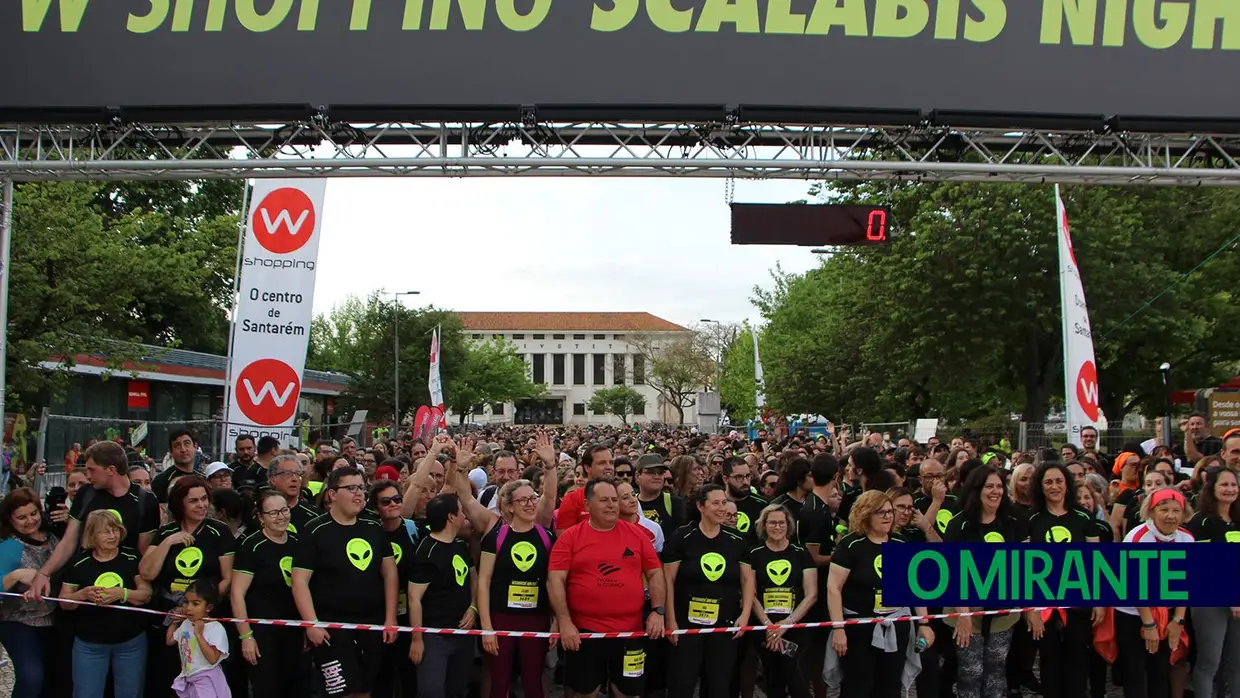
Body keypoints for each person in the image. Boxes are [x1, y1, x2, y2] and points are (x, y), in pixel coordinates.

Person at [548, 479, 666, 698]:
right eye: (604, 500)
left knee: (629, 693)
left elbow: (656, 573)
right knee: (585, 693)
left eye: (614, 500)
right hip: (585, 633)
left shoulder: (636, 534)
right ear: (587, 505)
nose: (611, 505)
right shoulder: (570, 538)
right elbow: (555, 580)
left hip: (631, 631)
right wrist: (564, 621)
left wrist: (657, 612)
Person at [292, 467, 399, 698]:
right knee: (342, 693)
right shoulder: (315, 530)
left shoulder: (373, 527)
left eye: (361, 487)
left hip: (372, 625)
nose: (358, 493)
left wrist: (390, 619)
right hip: (332, 628)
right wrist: (312, 623)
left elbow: (390, 574)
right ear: (332, 494)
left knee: (365, 690)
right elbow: (299, 580)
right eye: (351, 488)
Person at [826, 490, 934, 698]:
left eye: (889, 511)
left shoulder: (900, 543)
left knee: (890, 686)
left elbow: (914, 588)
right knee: (858, 687)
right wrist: (838, 628)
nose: (888, 516)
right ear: (865, 514)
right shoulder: (850, 546)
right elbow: (833, 589)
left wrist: (924, 624)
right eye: (880, 512)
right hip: (859, 629)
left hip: (896, 625)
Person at [25, 440, 160, 601]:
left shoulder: (145, 500)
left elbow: (144, 554)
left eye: (91, 470)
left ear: (111, 470)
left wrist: (138, 593)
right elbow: (69, 541)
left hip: (124, 588)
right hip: (84, 583)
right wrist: (44, 573)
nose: (88, 475)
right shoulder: (86, 494)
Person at [140, 474, 236, 698]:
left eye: (204, 499)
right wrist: (167, 542)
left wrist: (198, 609)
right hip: (171, 619)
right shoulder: (165, 533)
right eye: (193, 500)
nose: (201, 505)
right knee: (168, 679)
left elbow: (227, 579)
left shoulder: (219, 532)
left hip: (206, 621)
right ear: (179, 504)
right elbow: (146, 572)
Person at [942, 466, 1028, 698]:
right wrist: (963, 613)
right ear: (976, 490)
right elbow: (951, 571)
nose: (995, 491)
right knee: (971, 670)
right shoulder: (959, 524)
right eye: (989, 486)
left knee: (996, 668)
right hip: (967, 608)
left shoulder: (1013, 522)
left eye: (999, 486)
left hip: (1003, 609)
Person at [663, 484, 755, 698]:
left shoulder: (737, 540)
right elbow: (668, 580)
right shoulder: (682, 536)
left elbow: (747, 580)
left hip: (724, 625)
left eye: (724, 502)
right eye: (716, 503)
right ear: (700, 506)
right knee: (681, 684)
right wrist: (671, 620)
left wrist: (745, 615)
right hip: (687, 625)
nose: (722, 508)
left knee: (718, 685)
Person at [59, 509, 153, 698]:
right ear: (92, 534)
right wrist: (82, 594)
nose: (112, 536)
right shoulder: (79, 563)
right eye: (105, 531)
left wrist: (123, 593)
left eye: (115, 530)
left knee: (130, 693)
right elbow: (64, 602)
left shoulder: (132, 557)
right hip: (89, 644)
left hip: (130, 642)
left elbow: (146, 594)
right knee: (86, 693)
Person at [1024, 462, 1098, 698]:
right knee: (1049, 663)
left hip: (1078, 602)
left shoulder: (1083, 517)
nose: (1054, 486)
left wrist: (1099, 601)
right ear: (1040, 486)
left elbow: (1096, 562)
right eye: (1048, 482)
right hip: (1044, 604)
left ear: (1067, 485)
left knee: (1077, 663)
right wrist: (1031, 608)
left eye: (1059, 481)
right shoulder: (1030, 518)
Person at [479, 480, 556, 698]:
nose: (530, 504)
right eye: (523, 500)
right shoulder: (496, 537)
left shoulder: (547, 537)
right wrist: (487, 628)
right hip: (501, 618)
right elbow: (484, 582)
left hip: (535, 618)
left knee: (534, 681)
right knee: (499, 681)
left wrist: (557, 621)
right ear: (510, 506)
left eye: (533, 498)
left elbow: (554, 582)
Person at [1114, 487, 1192, 698]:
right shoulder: (1138, 537)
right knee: (1135, 674)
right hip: (1133, 614)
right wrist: (1149, 624)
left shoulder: (1187, 539)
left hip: (1166, 613)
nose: (1170, 515)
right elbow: (1134, 585)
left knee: (1160, 673)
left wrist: (1178, 620)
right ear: (1151, 511)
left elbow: (1184, 584)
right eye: (1163, 509)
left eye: (1176, 510)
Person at [231, 490, 302, 698]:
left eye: (284, 510)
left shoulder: (299, 543)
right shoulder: (252, 546)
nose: (281, 517)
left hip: (294, 630)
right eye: (273, 513)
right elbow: (237, 594)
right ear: (261, 517)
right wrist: (246, 636)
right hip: (262, 634)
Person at [408, 494, 477, 698]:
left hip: (463, 635)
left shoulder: (459, 545)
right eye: (460, 510)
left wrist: (473, 607)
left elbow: (473, 578)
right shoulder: (426, 552)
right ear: (450, 517)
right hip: (434, 636)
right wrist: (417, 639)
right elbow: (414, 598)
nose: (464, 515)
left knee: (457, 689)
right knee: (432, 691)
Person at [748, 504, 817, 698]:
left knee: (794, 675)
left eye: (781, 523)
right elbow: (750, 594)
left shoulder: (800, 552)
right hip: (765, 626)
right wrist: (769, 626)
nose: (777, 527)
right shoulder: (754, 554)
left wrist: (786, 624)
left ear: (788, 525)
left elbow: (811, 593)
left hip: (796, 625)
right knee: (773, 678)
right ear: (764, 525)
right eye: (772, 523)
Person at [1184, 466, 1240, 698]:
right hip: (1210, 601)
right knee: (1209, 663)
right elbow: (1205, 567)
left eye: (1234, 485)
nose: (1230, 489)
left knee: (1236, 664)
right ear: (1212, 488)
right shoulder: (1200, 522)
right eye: (1224, 485)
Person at [0, 488, 59, 697]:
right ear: (10, 519)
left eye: (33, 514)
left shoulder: (54, 536)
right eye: (21, 517)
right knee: (31, 677)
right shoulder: (8, 546)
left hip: (55, 618)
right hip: (19, 621)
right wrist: (15, 575)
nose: (30, 521)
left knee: (53, 679)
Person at [166, 579, 231, 697]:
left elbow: (212, 659)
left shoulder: (215, 628)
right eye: (187, 602)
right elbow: (170, 640)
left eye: (195, 604)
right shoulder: (186, 623)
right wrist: (174, 623)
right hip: (189, 678)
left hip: (206, 679)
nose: (189, 608)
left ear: (208, 607)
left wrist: (199, 635)